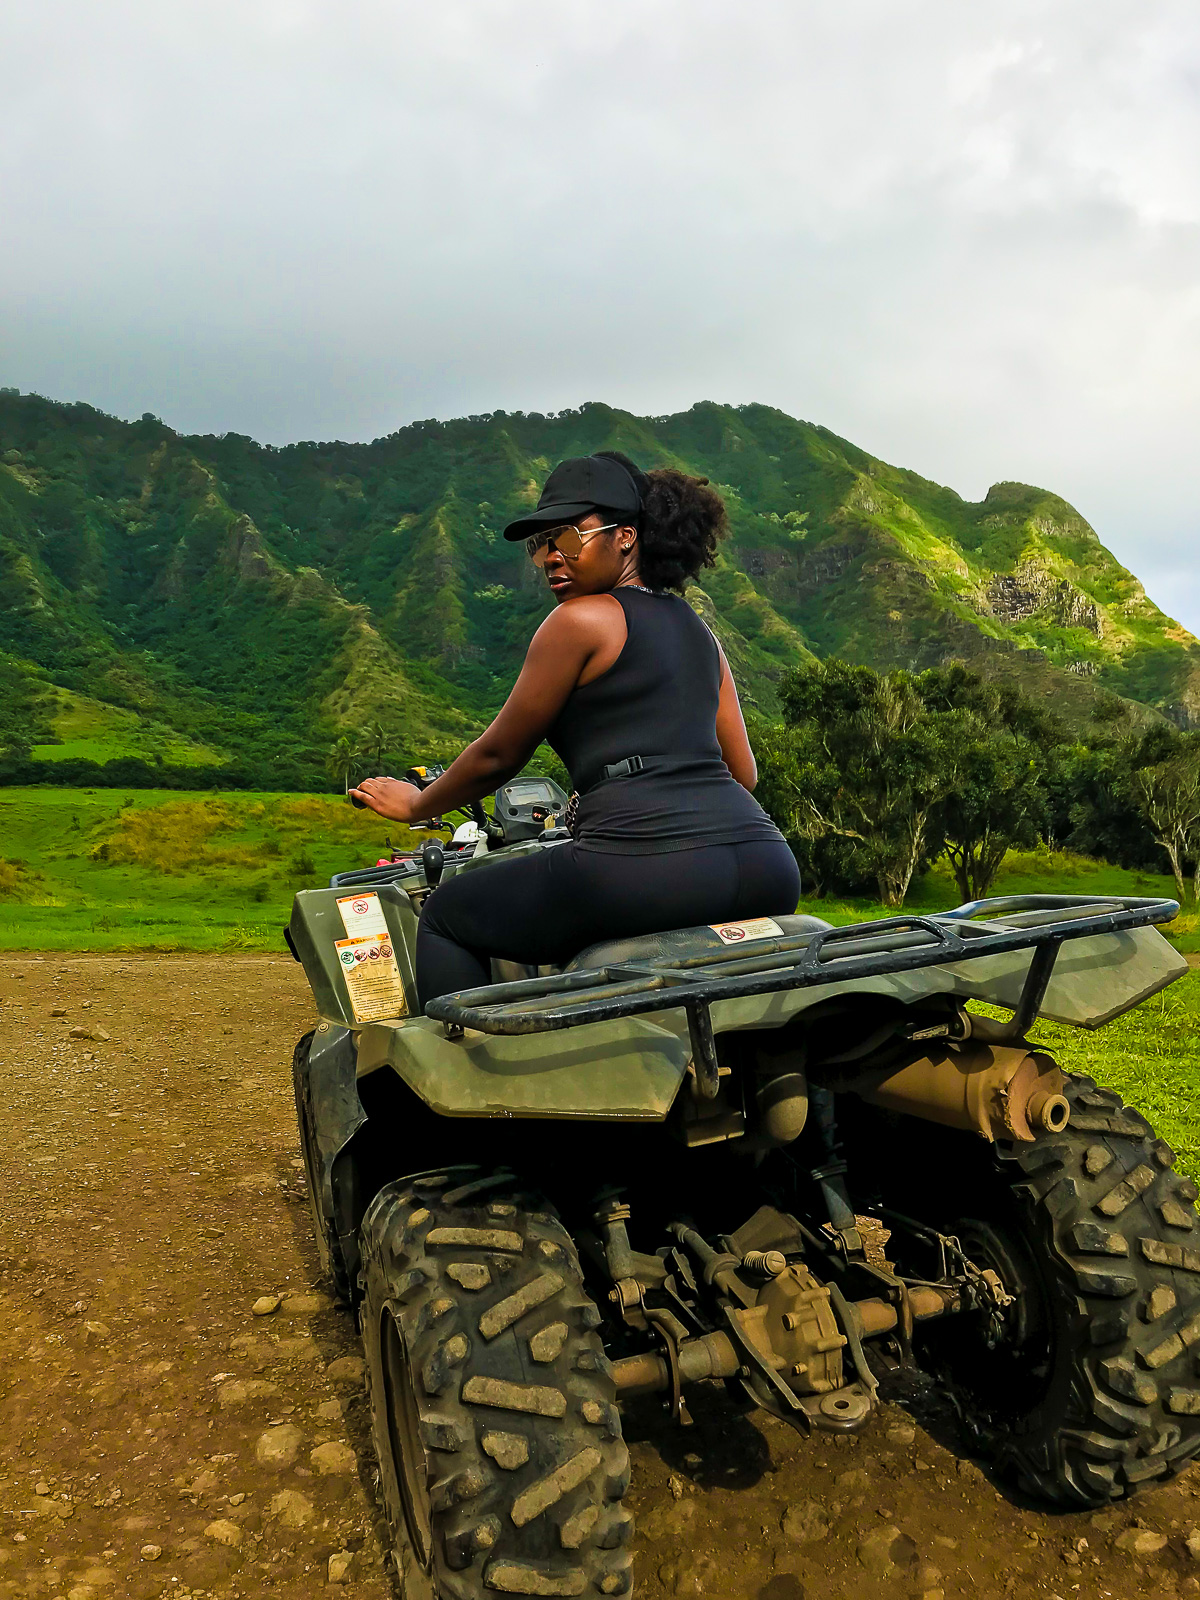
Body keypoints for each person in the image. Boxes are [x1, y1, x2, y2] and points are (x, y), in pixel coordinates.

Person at [350, 450, 801, 1007]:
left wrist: (419, 805)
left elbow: (498, 755)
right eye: (539, 544)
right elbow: (744, 774)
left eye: (566, 538)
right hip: (767, 862)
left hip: (642, 870)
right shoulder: (700, 632)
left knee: (447, 916)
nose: (548, 558)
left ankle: (476, 1082)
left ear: (626, 537)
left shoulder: (579, 621)